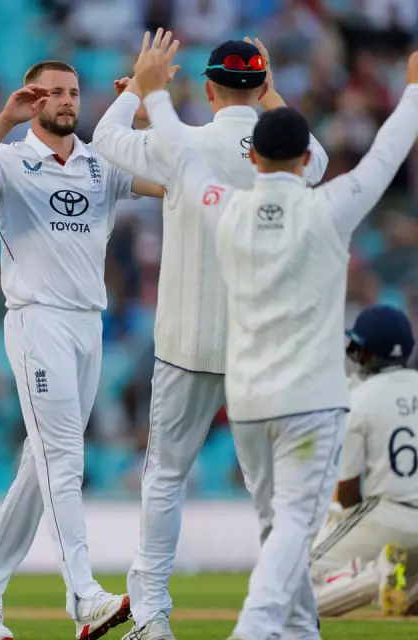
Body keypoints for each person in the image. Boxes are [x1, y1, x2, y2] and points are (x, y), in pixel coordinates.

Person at [126, 29, 418, 640]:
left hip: (249, 393)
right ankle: (260, 629)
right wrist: (413, 93)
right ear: (306, 159)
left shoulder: (222, 205)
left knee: (262, 514)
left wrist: (153, 94)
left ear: (253, 160)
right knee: (287, 522)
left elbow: (179, 155)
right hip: (307, 397)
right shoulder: (329, 204)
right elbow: (386, 153)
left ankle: (294, 630)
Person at [92, 35, 328, 640]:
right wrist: (270, 88)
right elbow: (318, 158)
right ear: (260, 87)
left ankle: (150, 618)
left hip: (187, 343)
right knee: (273, 497)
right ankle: (293, 624)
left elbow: (105, 142)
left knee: (165, 479)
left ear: (206, 88)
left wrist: (139, 92)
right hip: (262, 350)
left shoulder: (184, 144)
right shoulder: (292, 155)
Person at [0, 60, 163, 640]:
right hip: (37, 322)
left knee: (41, 469)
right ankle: (84, 596)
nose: (67, 101)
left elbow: (172, 179)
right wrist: (1, 122)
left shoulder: (101, 162)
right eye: (55, 93)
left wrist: (139, 115)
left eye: (74, 93)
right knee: (63, 459)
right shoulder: (12, 161)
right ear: (33, 100)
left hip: (90, 325)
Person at [310, 304, 418, 618]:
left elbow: (347, 493)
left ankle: (375, 574)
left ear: (366, 352)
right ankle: (388, 576)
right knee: (406, 598)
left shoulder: (359, 398)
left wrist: (342, 532)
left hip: (388, 515)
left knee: (287, 585)